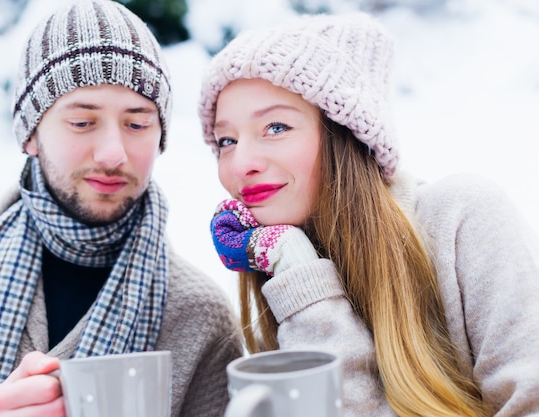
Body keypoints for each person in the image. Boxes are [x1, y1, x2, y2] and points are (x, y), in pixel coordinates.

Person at [198, 12, 539, 417]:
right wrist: (299, 277)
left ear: (345, 135)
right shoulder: (279, 265)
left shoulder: (462, 217)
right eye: (226, 140)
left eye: (275, 127)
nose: (241, 164)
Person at [0, 1, 242, 416]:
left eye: (137, 124)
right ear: (31, 134)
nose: (112, 154)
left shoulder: (198, 317)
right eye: (82, 122)